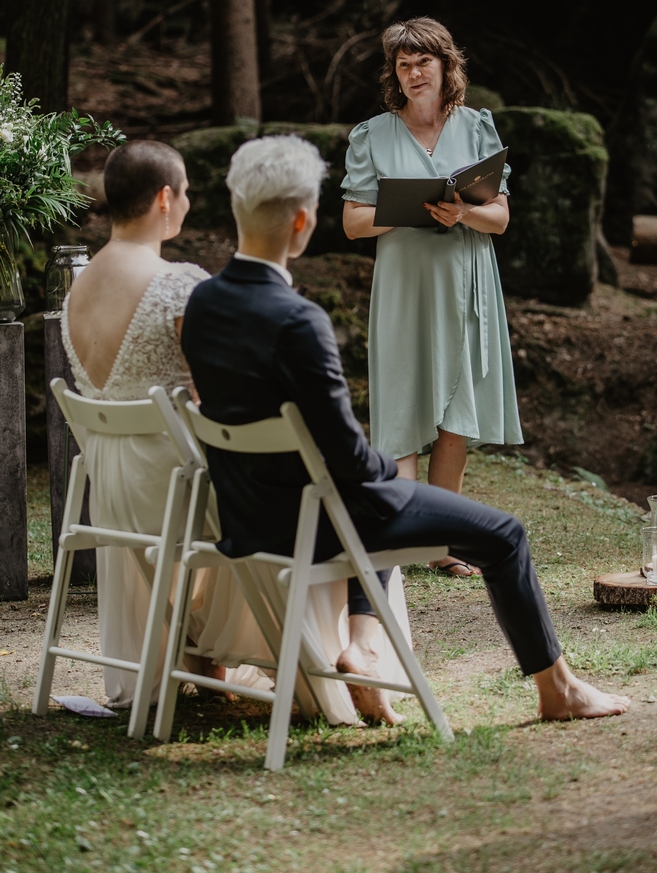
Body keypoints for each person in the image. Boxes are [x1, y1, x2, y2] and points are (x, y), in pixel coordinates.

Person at [181, 135, 631, 723]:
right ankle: (559, 691)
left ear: (238, 205)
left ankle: (365, 648)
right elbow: (347, 458)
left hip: (246, 515)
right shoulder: (298, 320)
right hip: (320, 523)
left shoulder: (203, 303)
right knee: (504, 534)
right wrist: (385, 472)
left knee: (387, 497)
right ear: (302, 220)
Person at [62, 139, 407, 723]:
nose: (191, 203)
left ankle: (198, 655)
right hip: (182, 491)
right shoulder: (177, 284)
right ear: (166, 198)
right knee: (326, 489)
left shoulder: (78, 285)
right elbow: (215, 391)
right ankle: (352, 652)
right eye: (190, 192)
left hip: (116, 494)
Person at [341, 17, 521, 576]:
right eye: (403, 64)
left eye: (424, 62)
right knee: (402, 399)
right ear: (394, 73)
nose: (414, 73)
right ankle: (403, 536)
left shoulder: (477, 126)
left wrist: (462, 211)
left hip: (466, 282)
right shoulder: (372, 134)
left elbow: (501, 219)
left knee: (455, 410)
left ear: (446, 66)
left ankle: (445, 541)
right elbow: (352, 222)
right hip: (404, 284)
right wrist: (404, 213)